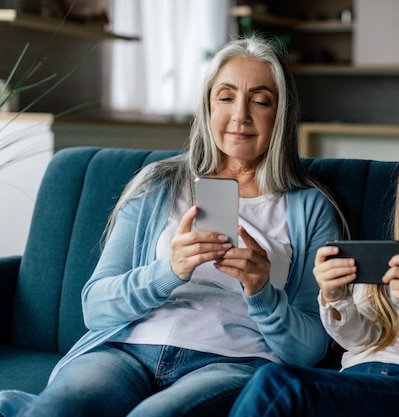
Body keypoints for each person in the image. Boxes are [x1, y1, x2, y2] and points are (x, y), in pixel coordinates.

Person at [0, 35, 345, 417]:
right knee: (63, 408)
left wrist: (262, 291)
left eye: (260, 100)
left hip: (231, 362)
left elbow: (309, 348)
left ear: (280, 113)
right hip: (126, 351)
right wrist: (170, 271)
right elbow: (95, 306)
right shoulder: (159, 184)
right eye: (226, 97)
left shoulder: (309, 207)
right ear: (208, 105)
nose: (240, 115)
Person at [228, 135, 399, 417]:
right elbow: (358, 340)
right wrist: (334, 297)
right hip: (358, 378)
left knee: (276, 383)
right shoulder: (385, 263)